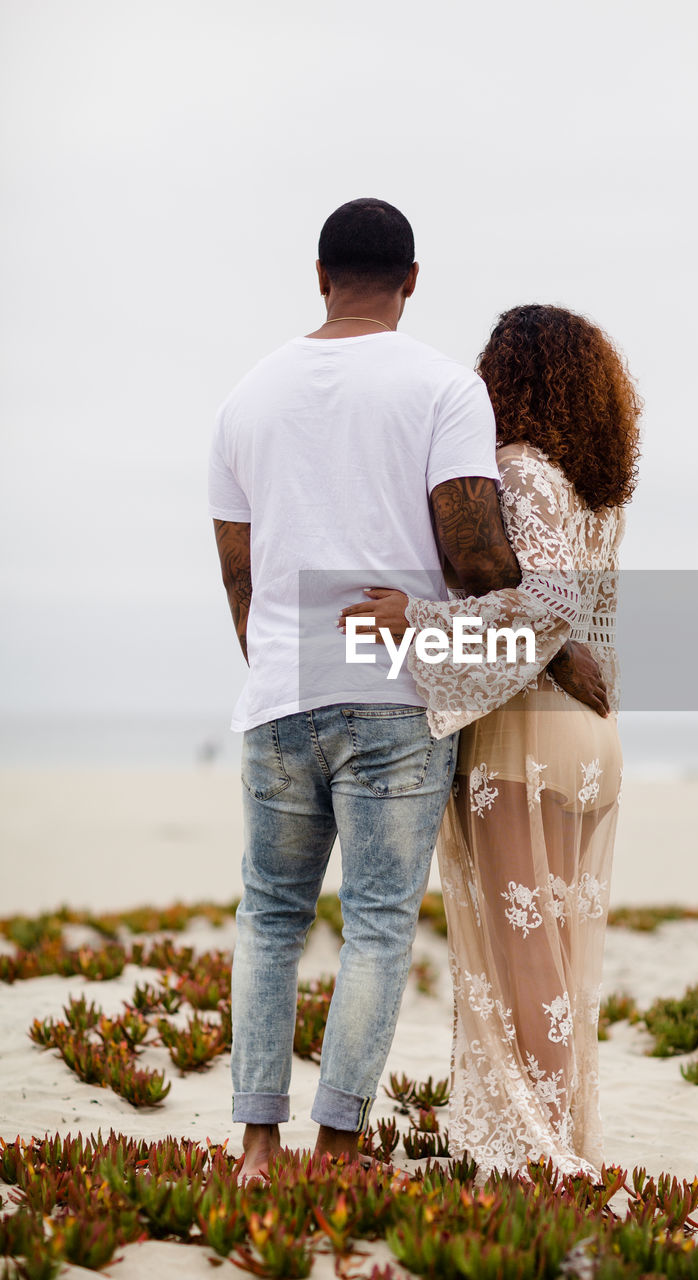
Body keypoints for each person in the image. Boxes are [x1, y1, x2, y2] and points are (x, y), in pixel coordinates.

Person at [208, 202, 606, 1182]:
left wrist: (275, 667)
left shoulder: (244, 399)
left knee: (267, 917)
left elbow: (236, 571)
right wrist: (551, 642)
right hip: (394, 698)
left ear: (318, 275)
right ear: (412, 279)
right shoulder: (443, 388)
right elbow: (473, 556)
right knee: (378, 923)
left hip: (279, 694)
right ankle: (338, 1149)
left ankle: (257, 1145)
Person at [340, 304, 641, 1179]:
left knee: (524, 955)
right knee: (557, 950)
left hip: (524, 740)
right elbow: (582, 625)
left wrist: (415, 621)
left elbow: (542, 612)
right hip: (591, 736)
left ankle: (549, 1156)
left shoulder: (514, 469)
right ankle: (556, 1140)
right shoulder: (591, 496)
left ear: (504, 380)